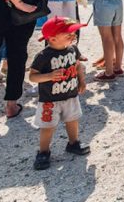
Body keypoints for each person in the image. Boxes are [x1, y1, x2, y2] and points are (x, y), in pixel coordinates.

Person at [28, 16, 89, 170]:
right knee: (48, 126)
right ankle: (43, 152)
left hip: (70, 95)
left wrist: (82, 81)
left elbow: (78, 66)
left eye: (73, 33)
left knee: (73, 120)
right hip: (49, 99)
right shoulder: (43, 56)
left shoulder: (72, 50)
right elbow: (32, 76)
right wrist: (48, 76)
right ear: (53, 39)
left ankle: (73, 143)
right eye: (68, 34)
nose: (73, 36)